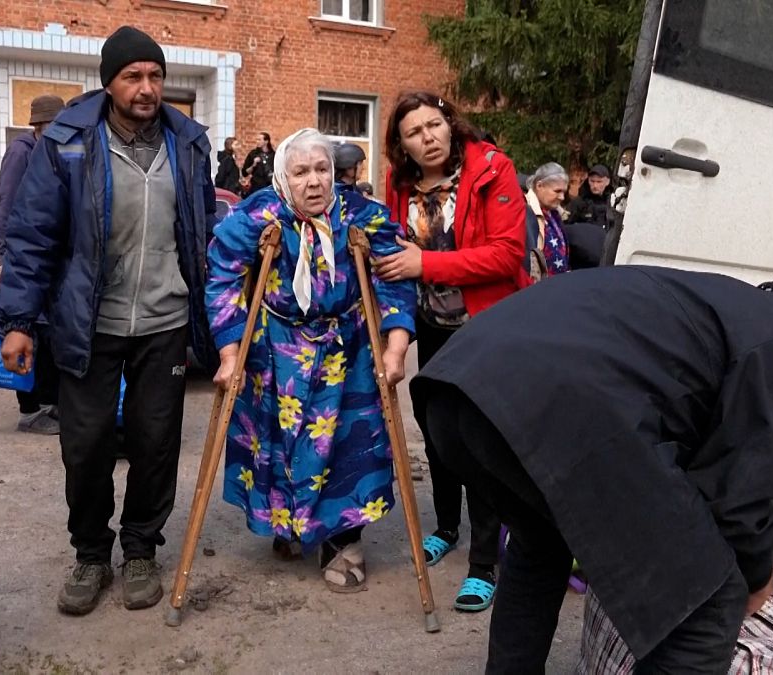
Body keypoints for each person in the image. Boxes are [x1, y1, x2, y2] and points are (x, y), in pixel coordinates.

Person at [410, 267, 773, 673]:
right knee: (705, 601)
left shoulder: (712, 303)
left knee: (540, 543)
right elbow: (742, 497)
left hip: (454, 388)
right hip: (558, 411)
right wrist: (755, 577)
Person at [0, 25, 218, 616]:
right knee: (85, 445)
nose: (146, 88)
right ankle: (92, 553)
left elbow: (203, 235)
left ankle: (141, 548)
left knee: (155, 441)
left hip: (165, 319)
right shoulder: (67, 140)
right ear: (109, 82)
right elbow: (32, 234)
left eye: (155, 75)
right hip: (89, 319)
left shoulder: (189, 143)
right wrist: (17, 318)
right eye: (132, 76)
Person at [205, 128, 416, 591]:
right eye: (301, 171)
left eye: (322, 169)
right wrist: (229, 351)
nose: (314, 181)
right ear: (284, 175)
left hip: (348, 346)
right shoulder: (259, 214)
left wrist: (395, 348)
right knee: (280, 439)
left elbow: (394, 278)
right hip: (275, 348)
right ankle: (290, 521)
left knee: (347, 440)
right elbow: (222, 276)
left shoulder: (359, 214)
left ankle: (343, 541)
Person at [375, 90, 528, 613]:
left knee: (479, 441)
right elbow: (395, 253)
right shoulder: (402, 188)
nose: (429, 137)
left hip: (486, 326)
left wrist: (427, 266)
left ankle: (485, 561)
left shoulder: (491, 170)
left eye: (435, 125)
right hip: (431, 326)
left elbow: (508, 256)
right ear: (402, 146)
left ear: (450, 124)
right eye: (414, 133)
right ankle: (445, 526)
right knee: (436, 430)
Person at [0, 94, 64, 435]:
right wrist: (3, 256)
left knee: (45, 331)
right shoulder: (22, 151)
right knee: (24, 328)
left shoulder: (48, 148)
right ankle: (30, 410)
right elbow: (6, 201)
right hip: (18, 254)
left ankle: (46, 404)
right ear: (38, 125)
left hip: (43, 254)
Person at [524, 162, 570, 280]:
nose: (562, 197)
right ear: (539, 186)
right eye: (557, 191)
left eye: (564, 192)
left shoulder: (555, 212)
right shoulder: (525, 212)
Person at [565, 163, 612, 229]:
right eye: (592, 181)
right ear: (588, 180)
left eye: (599, 182)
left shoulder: (612, 202)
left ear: (607, 182)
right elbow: (564, 224)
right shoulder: (578, 203)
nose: (595, 186)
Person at [242, 131, 275, 196]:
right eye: (257, 140)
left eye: (259, 140)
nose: (257, 141)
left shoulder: (273, 155)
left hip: (270, 187)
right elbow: (245, 173)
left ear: (266, 141)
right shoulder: (253, 154)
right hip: (256, 187)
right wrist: (253, 165)